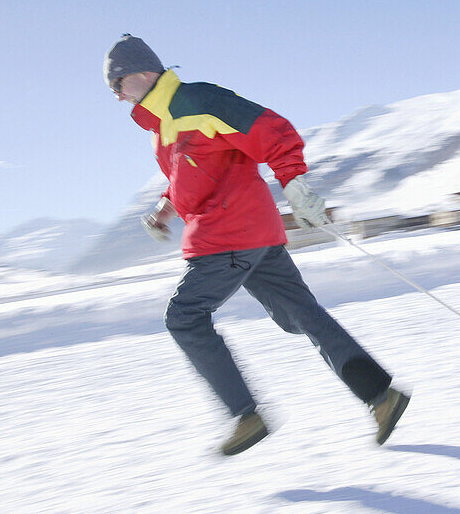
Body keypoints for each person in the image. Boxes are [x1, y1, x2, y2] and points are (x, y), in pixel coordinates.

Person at [103, 35, 409, 455]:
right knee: (296, 314)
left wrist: (296, 184)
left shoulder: (197, 99)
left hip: (228, 233)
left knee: (185, 317)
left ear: (141, 72)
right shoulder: (163, 128)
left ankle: (246, 415)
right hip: (251, 233)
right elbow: (190, 175)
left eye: (116, 85)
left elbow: (272, 130)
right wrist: (165, 208)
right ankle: (381, 396)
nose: (117, 97)